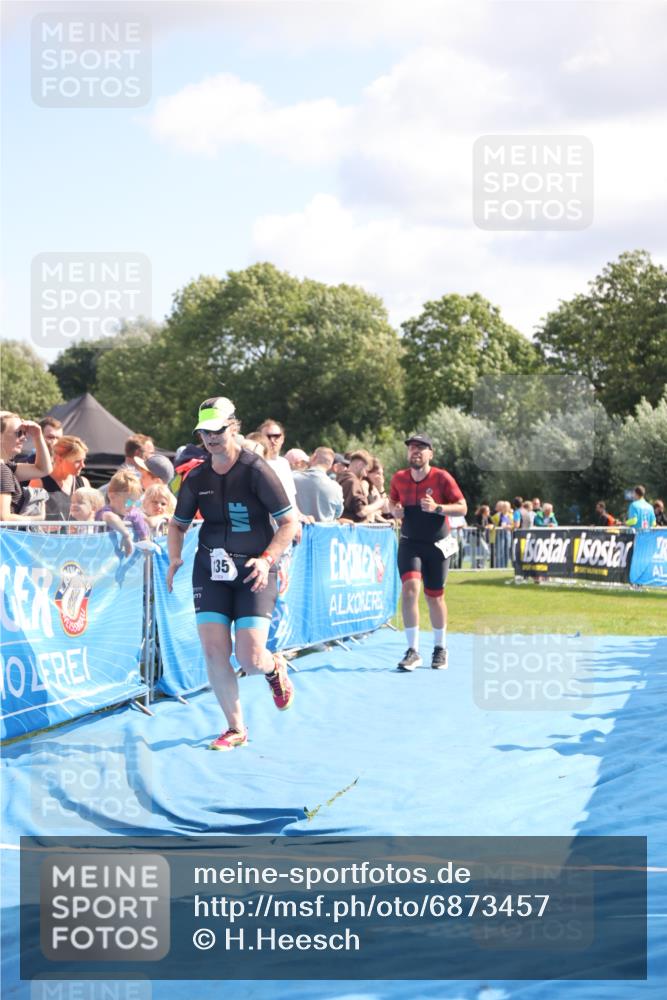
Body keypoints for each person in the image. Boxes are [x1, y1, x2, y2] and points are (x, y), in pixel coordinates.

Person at [167, 397, 299, 752]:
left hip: (255, 569)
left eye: (218, 430)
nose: (210, 438)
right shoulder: (196, 477)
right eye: (204, 432)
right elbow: (177, 525)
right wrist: (174, 557)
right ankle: (235, 727)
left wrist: (268, 559)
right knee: (213, 650)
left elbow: (289, 523)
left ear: (234, 427)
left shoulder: (256, 470)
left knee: (250, 658)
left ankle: (274, 668)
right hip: (211, 569)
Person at [389, 433, 467, 672]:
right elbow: (392, 503)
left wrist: (438, 508)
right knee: (410, 589)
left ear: (430, 453)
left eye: (421, 448)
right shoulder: (399, 478)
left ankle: (440, 648)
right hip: (410, 542)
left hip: (437, 544)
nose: (416, 451)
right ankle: (413, 651)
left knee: (435, 597)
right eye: (412, 447)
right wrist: (395, 511)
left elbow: (463, 506)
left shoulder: (442, 477)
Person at [0, 411, 53, 521]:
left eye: (25, 433)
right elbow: (3, 518)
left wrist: (38, 436)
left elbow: (43, 469)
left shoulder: (6, 467)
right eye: (19, 433)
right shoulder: (3, 470)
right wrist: (37, 519)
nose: (24, 438)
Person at [30, 435, 90, 521]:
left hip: (77, 534)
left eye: (83, 460)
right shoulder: (39, 482)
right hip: (47, 534)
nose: (83, 465)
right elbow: (31, 517)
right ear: (59, 459)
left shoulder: (84, 483)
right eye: (77, 461)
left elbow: (91, 515)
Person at [96, 470, 150, 556]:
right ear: (112, 496)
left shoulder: (133, 513)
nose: (132, 505)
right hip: (103, 559)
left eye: (135, 502)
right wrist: (126, 535)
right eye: (129, 501)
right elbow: (110, 517)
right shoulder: (105, 511)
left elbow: (145, 538)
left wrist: (146, 544)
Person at [293, 446, 343, 523]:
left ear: (314, 457)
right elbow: (338, 513)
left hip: (297, 532)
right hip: (324, 533)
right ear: (330, 465)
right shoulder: (336, 487)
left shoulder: (292, 478)